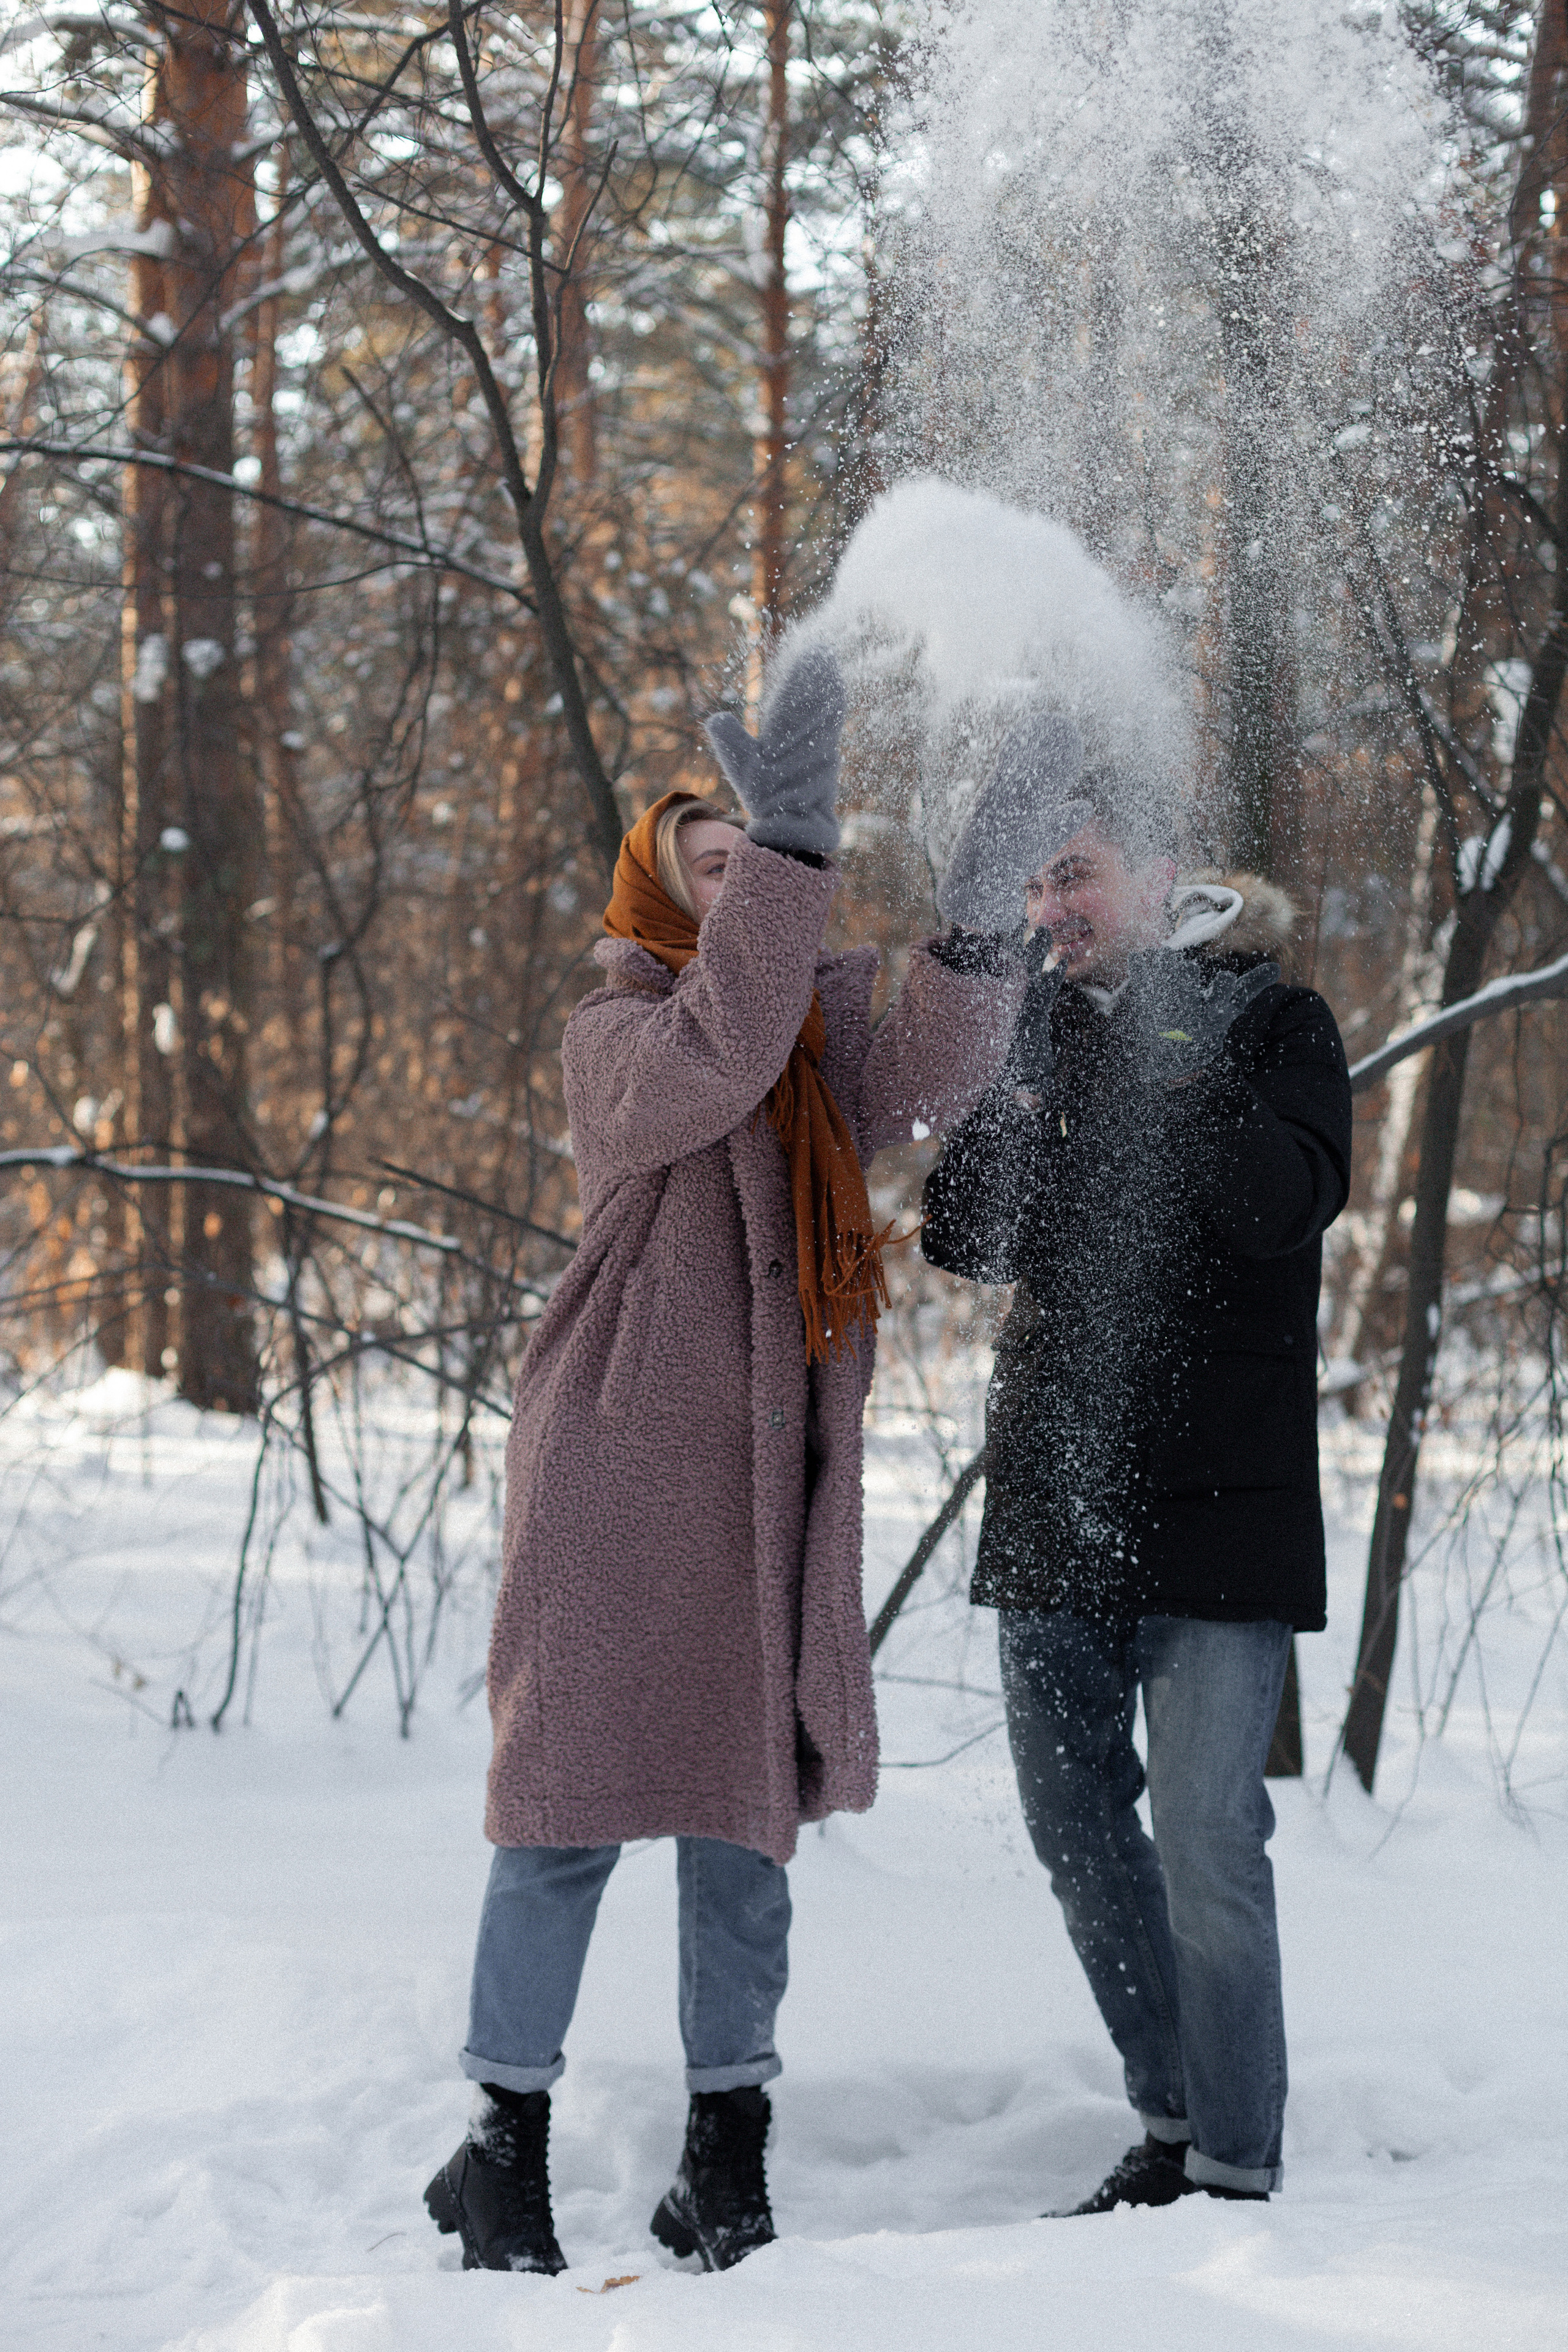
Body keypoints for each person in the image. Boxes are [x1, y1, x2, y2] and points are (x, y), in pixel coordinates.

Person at [425, 650, 1027, 2274]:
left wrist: (976, 912)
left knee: (741, 1830)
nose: (755, 871)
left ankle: (727, 2157)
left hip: (763, 1496)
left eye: (767, 852)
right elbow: (725, 1044)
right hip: (615, 1482)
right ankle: (502, 2147)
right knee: (558, 1819)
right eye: (725, 858)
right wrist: (802, 835)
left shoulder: (811, 1063)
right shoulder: (620, 1038)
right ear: (669, 893)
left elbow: (932, 1071)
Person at [922, 709, 1352, 2212]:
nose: (1049, 910)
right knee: (1071, 1826)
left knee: (1210, 1850)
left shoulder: (1273, 1022)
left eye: (1076, 874)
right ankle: (1168, 2117)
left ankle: (1234, 2169)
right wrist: (1013, 1083)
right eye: (1036, 885)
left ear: (1160, 874)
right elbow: (961, 1234)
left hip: (1222, 1512)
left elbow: (1281, 1205)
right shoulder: (1034, 1029)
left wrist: (1169, 1054)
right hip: (1056, 1497)